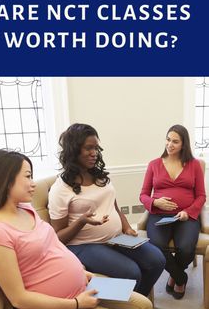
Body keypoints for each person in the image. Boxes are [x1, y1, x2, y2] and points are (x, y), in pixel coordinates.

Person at [0, 149, 152, 309]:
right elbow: (19, 298)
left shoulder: (25, 209)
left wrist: (82, 273)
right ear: (5, 180)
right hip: (58, 308)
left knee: (144, 305)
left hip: (84, 284)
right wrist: (76, 303)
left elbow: (51, 248)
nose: (33, 184)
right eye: (28, 176)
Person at [48, 123, 165, 297]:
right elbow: (57, 238)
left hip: (116, 238)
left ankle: (136, 303)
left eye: (96, 148)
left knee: (157, 260)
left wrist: (126, 227)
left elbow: (114, 205)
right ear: (73, 150)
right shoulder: (61, 189)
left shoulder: (100, 176)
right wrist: (81, 221)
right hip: (84, 245)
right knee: (131, 272)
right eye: (88, 148)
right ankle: (122, 305)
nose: (94, 153)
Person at [140, 124, 206, 299]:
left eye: (175, 141)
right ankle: (180, 277)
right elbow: (143, 195)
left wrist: (188, 211)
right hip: (159, 216)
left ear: (183, 144)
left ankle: (174, 275)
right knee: (156, 248)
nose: (170, 144)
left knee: (185, 248)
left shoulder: (194, 165)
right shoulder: (154, 164)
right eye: (168, 140)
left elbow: (201, 196)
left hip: (186, 217)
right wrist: (156, 202)